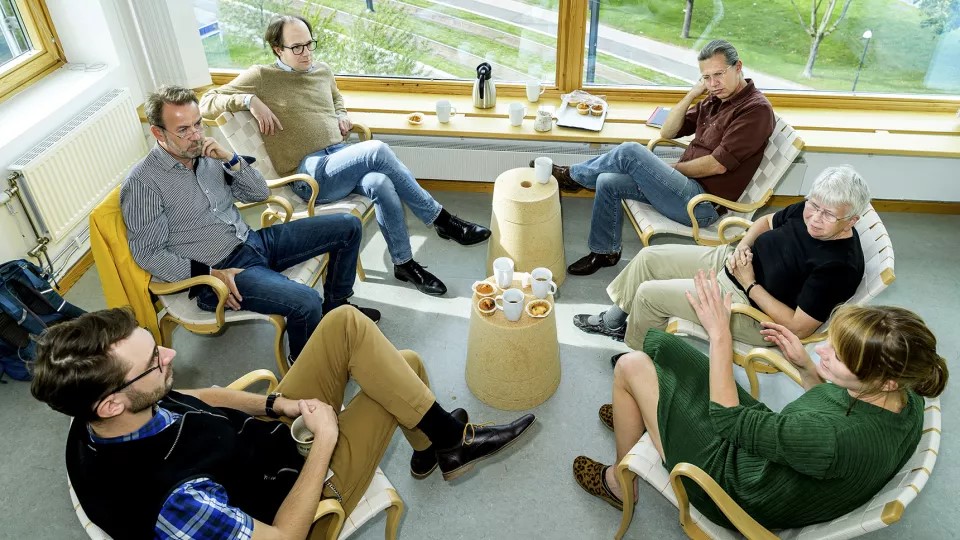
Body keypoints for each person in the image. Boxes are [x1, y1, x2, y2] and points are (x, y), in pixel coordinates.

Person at [32, 306, 536, 540]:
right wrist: (325, 442)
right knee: (405, 368)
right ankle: (445, 445)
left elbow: (199, 396)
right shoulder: (173, 502)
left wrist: (279, 406)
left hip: (264, 445)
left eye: (154, 341)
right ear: (111, 404)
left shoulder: (99, 411)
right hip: (292, 501)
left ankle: (440, 446)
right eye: (153, 360)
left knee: (346, 325)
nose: (170, 353)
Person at [572, 270, 948, 531]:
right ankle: (640, 410)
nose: (824, 351)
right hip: (780, 454)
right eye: (833, 340)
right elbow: (831, 417)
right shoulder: (908, 394)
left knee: (631, 365)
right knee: (667, 349)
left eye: (840, 355)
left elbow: (728, 422)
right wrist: (805, 368)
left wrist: (719, 334)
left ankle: (620, 485)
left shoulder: (827, 437)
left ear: (885, 381)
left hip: (737, 484)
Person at [200, 14, 491, 297]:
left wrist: (341, 114)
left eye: (309, 44)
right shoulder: (262, 76)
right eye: (296, 47)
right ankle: (442, 220)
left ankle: (404, 263)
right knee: (376, 150)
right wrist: (249, 100)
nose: (306, 53)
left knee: (380, 183)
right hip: (309, 173)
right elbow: (207, 102)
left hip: (340, 158)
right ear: (278, 49)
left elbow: (336, 98)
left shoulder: (322, 70)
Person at [122, 85, 379, 362]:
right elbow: (149, 254)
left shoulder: (208, 156)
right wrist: (210, 274)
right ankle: (306, 371)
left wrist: (231, 160)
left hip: (253, 242)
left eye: (198, 124)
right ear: (158, 133)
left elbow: (259, 193)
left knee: (347, 226)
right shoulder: (143, 184)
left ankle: (337, 307)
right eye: (183, 130)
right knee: (305, 302)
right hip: (221, 271)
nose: (196, 136)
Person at [574, 165, 870, 360]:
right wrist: (744, 245)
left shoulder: (839, 267)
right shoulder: (811, 208)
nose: (815, 218)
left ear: (852, 220)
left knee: (649, 295)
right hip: (733, 262)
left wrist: (749, 283)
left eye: (828, 215)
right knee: (649, 257)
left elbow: (799, 327)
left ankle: (639, 359)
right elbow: (767, 220)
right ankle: (614, 322)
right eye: (813, 207)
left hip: (751, 311)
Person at [539, 39, 774, 276]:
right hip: (681, 189)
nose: (713, 84)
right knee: (606, 181)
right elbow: (668, 131)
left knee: (630, 151)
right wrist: (693, 94)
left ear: (738, 67)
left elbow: (718, 165)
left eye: (719, 74)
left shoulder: (755, 110)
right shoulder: (715, 99)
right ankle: (605, 252)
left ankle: (572, 177)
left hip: (700, 204)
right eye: (706, 77)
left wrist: (670, 170)